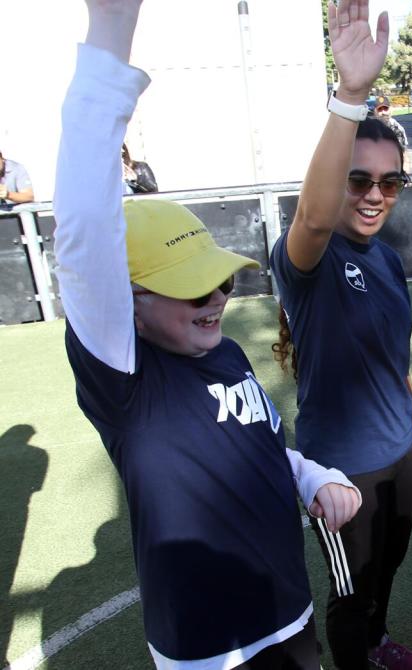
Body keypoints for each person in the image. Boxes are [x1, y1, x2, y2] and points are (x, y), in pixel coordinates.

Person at [54, 1, 361, 668]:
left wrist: (313, 477)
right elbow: (82, 229)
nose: (218, 297)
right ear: (127, 305)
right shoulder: (127, 383)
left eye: (220, 280)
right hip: (210, 651)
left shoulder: (224, 352)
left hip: (290, 615)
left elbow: (260, 450)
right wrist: (110, 32)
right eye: (193, 287)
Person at [268, 1, 412, 668]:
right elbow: (310, 218)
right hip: (342, 469)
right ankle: (358, 655)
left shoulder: (389, 261)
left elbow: (399, 369)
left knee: (386, 573)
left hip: (396, 457)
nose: (374, 194)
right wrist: (351, 95)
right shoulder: (309, 259)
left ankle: (378, 644)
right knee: (349, 593)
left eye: (389, 183)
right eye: (358, 179)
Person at [374, 94, 411, 174]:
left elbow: (404, 152)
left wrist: (406, 173)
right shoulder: (370, 128)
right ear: (375, 111)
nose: (383, 112)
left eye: (385, 108)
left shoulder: (397, 128)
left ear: (390, 110)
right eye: (380, 109)